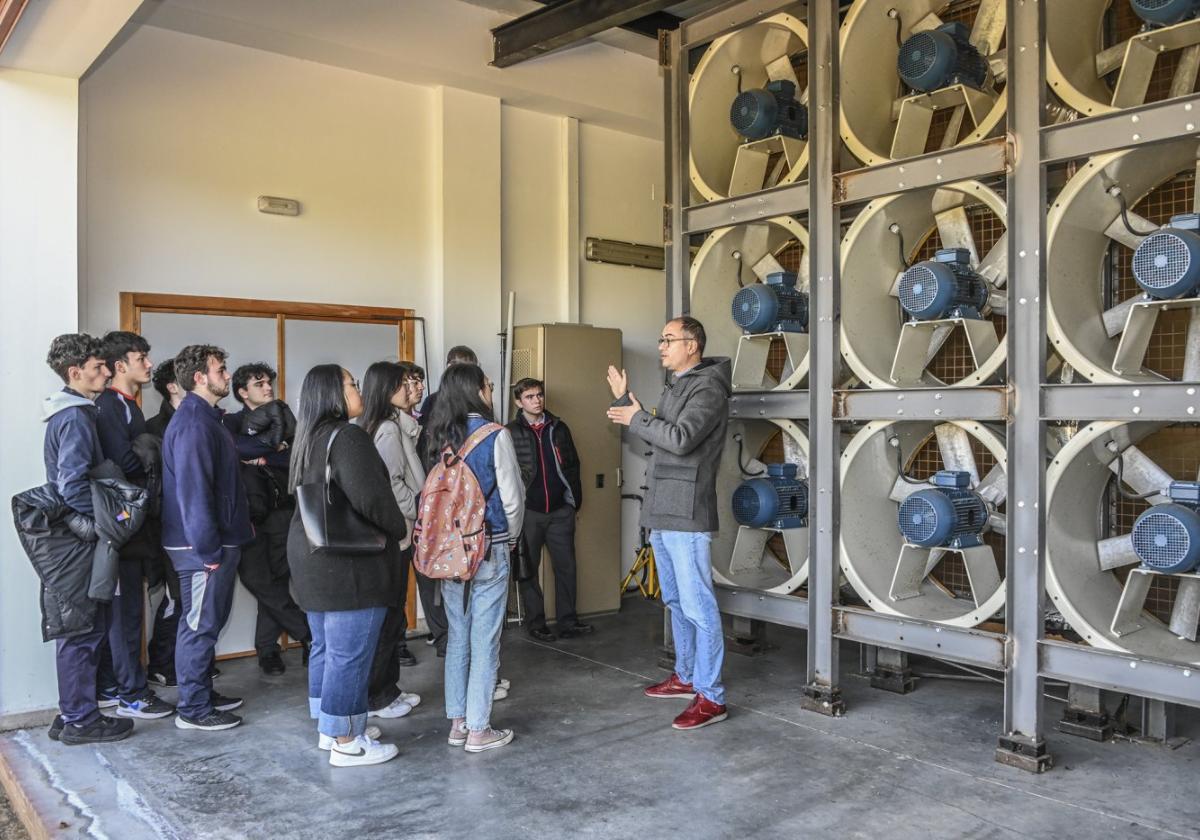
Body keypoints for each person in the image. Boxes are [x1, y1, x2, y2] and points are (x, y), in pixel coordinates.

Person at [606, 316, 732, 731]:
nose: (661, 346)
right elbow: (660, 438)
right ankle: (687, 675)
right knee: (676, 601)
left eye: (668, 340)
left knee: (699, 606)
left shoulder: (708, 387)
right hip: (663, 508)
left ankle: (711, 696)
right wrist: (629, 403)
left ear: (692, 344)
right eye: (660, 340)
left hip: (686, 510)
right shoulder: (678, 384)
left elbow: (681, 439)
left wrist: (637, 418)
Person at [288, 364, 408, 767]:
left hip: (313, 559)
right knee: (349, 654)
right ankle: (346, 741)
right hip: (349, 566)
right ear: (332, 395)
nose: (358, 390)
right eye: (351, 384)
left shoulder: (309, 438)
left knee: (326, 647)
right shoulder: (349, 437)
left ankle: (329, 726)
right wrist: (399, 527)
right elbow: (373, 501)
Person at [421, 363, 524, 753]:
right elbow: (512, 499)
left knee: (458, 635)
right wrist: (510, 539)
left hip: (449, 551)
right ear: (478, 390)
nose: (491, 389)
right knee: (486, 639)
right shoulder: (494, 434)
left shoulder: (441, 436)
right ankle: (481, 730)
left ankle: (458, 723)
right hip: (489, 545)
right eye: (489, 384)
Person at [40, 334, 134, 744]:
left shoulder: (69, 413)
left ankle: (72, 713)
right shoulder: (76, 416)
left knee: (79, 628)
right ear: (75, 373)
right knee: (84, 630)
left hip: (72, 540)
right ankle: (81, 720)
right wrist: (107, 524)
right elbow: (72, 484)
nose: (107, 371)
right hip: (80, 543)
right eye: (99, 367)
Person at [161, 345, 252, 731]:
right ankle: (193, 709)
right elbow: (194, 494)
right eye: (221, 369)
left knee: (207, 622)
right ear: (200, 376)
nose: (227, 375)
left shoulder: (205, 420)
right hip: (200, 548)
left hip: (211, 544)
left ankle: (200, 693)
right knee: (198, 625)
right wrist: (209, 551)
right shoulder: (195, 424)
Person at [94, 332, 175, 720]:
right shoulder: (111, 405)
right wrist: (150, 455)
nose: (148, 363)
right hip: (122, 528)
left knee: (126, 612)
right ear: (119, 366)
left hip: (135, 527)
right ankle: (131, 694)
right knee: (124, 614)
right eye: (141, 357)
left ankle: (115, 686)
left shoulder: (129, 405)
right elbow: (124, 465)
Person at [223, 363, 311, 676]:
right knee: (261, 582)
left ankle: (268, 650)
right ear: (242, 392)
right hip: (247, 513)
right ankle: (306, 634)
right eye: (258, 383)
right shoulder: (231, 420)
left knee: (276, 580)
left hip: (283, 510)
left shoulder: (285, 417)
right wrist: (274, 446)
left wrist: (265, 456)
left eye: (268, 381)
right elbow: (234, 448)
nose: (267, 387)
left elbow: (299, 455)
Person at [359, 361, 425, 718]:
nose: (410, 388)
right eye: (402, 383)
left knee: (392, 617)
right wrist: (418, 510)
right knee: (388, 619)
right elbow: (393, 484)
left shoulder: (397, 425)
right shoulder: (387, 429)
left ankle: (388, 689)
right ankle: (378, 697)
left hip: (399, 533)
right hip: (396, 534)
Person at [506, 377, 591, 642]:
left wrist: (573, 502)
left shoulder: (559, 427)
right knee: (528, 570)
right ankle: (536, 623)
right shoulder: (510, 432)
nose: (537, 400)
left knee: (566, 567)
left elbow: (573, 465)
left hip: (559, 511)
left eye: (539, 395)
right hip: (529, 513)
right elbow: (507, 473)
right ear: (519, 402)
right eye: (530, 397)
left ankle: (568, 621)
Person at [414, 349, 477, 656]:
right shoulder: (433, 405)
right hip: (438, 500)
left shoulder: (478, 408)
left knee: (465, 567)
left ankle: (459, 637)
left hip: (468, 505)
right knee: (433, 567)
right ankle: (442, 635)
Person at [144, 360, 183, 687]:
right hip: (170, 527)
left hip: (199, 526)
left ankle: (188, 661)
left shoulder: (209, 419)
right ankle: (161, 662)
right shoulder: (154, 428)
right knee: (176, 598)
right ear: (172, 385)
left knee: (199, 599)